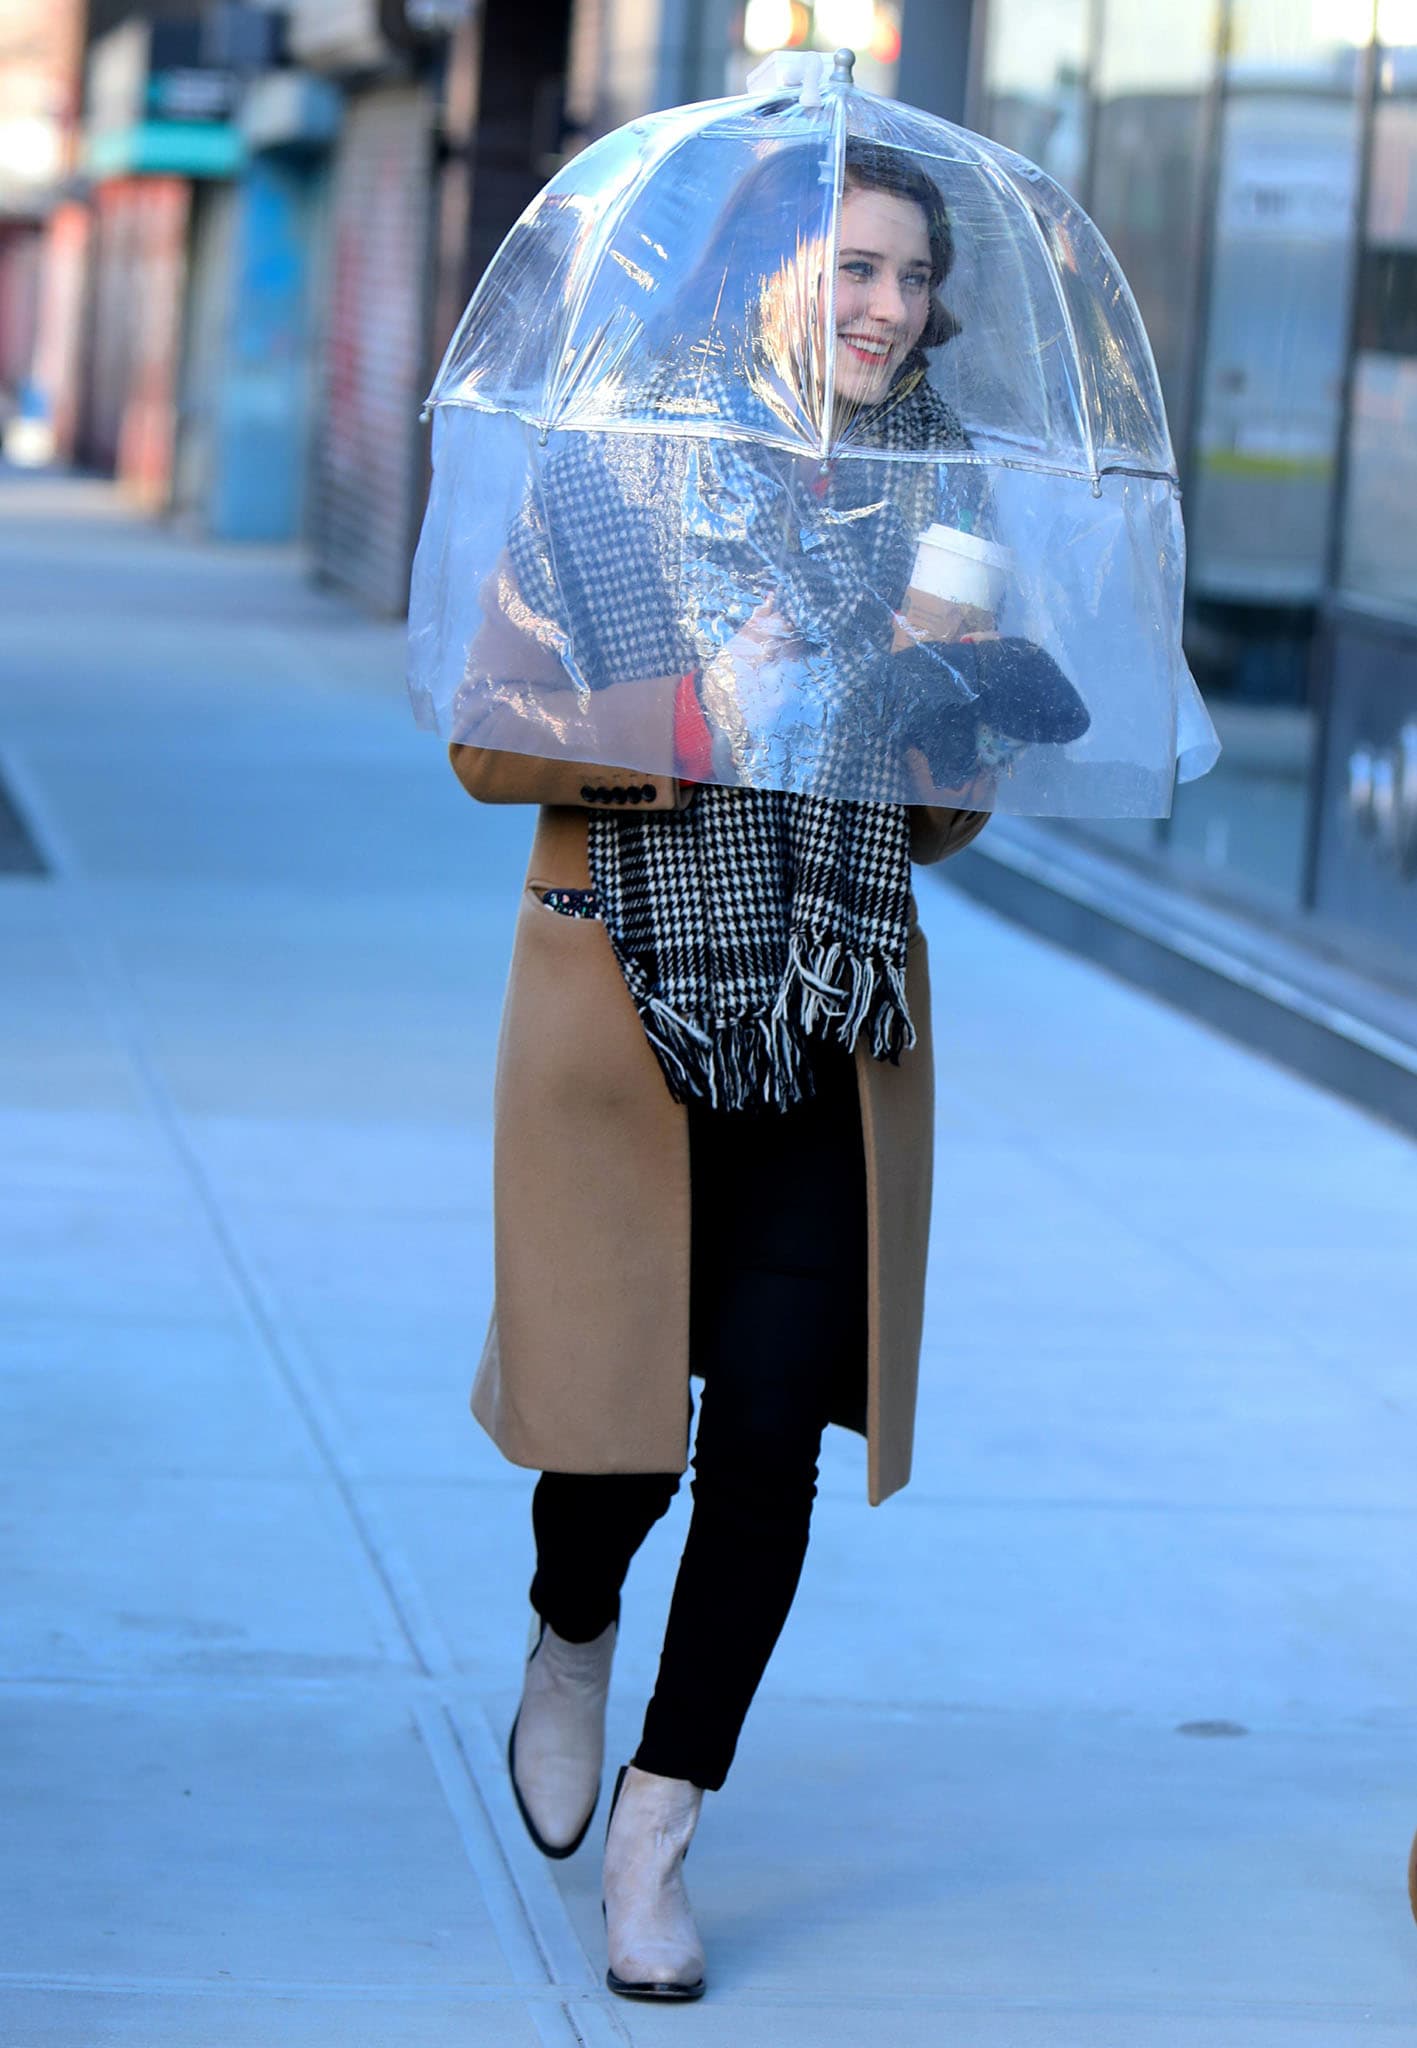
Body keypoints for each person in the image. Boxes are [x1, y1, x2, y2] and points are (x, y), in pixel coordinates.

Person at [446, 136, 1069, 2002]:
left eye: (911, 280)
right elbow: (490, 739)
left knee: (772, 1442)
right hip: (637, 1002)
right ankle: (570, 1629)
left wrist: (942, 709)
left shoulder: (940, 494)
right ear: (764, 275)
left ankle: (660, 1823)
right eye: (854, 268)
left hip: (830, 1015)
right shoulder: (617, 461)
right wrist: (718, 707)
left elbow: (933, 827)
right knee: (621, 1433)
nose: (888, 309)